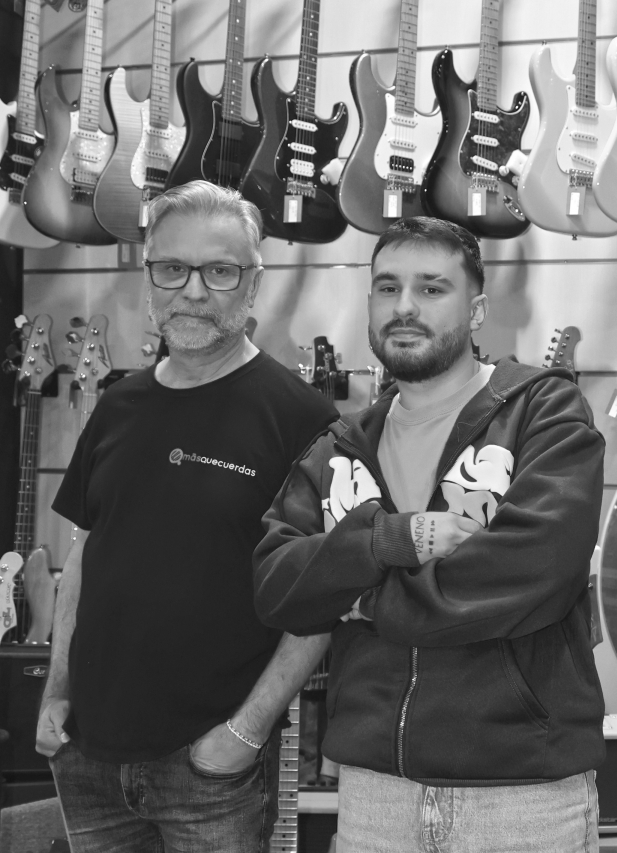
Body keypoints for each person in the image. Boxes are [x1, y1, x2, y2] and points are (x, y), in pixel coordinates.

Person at [252, 217, 607, 852]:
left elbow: (535, 575)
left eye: (431, 288)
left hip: (522, 795)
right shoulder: (338, 449)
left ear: (476, 312)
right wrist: (391, 541)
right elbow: (276, 587)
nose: (405, 307)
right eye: (387, 288)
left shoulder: (542, 413)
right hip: (372, 796)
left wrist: (358, 600)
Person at [36, 181, 340, 852]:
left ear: (253, 284)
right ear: (149, 277)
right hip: (89, 756)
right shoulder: (118, 405)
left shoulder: (302, 419)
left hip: (211, 771)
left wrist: (244, 732)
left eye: (220, 270)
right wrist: (57, 692)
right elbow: (86, 554)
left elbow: (324, 598)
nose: (193, 291)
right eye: (171, 268)